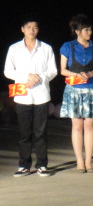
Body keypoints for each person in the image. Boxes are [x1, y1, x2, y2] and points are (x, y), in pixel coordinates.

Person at [4, 16, 57, 177]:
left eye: (35, 27)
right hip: (23, 95)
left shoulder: (46, 48)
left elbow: (53, 70)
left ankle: (42, 164)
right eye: (29, 27)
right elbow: (8, 71)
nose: (32, 30)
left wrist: (38, 77)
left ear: (38, 30)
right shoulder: (14, 48)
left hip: (41, 95)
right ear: (22, 29)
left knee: (41, 132)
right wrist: (27, 76)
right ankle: (24, 165)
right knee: (24, 132)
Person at [60, 14, 93, 173]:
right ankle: (79, 161)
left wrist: (91, 73)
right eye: (86, 30)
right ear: (77, 31)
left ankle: (89, 161)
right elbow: (62, 70)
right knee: (77, 126)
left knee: (89, 125)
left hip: (92, 87)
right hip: (74, 89)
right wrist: (76, 75)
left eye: (90, 30)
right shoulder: (68, 46)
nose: (89, 32)